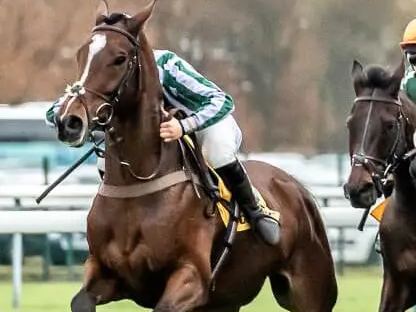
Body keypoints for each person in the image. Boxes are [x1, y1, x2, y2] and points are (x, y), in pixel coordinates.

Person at [49, 42, 281, 245]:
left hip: (204, 122)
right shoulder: (105, 75)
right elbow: (54, 112)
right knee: (104, 161)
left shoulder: (166, 65)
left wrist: (184, 126)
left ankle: (254, 211)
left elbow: (222, 101)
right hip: (157, 137)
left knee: (216, 152)